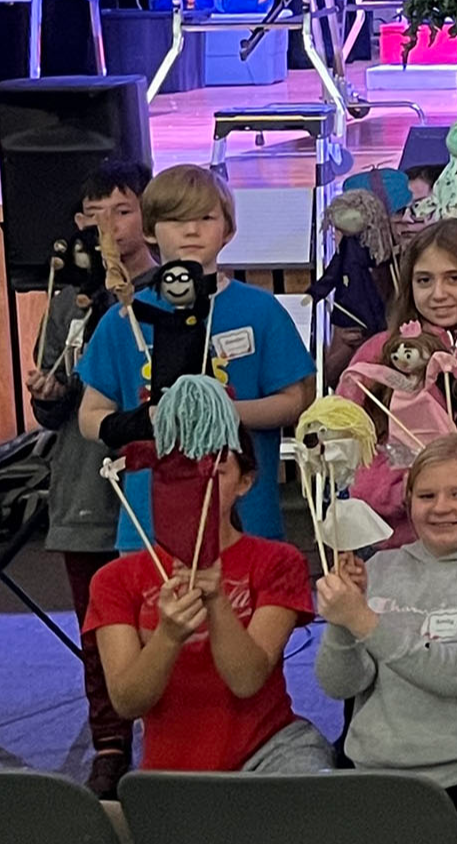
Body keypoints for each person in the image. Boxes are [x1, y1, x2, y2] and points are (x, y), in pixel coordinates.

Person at [76, 167, 315, 556]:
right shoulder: (125, 317)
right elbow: (90, 416)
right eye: (175, 219)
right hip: (148, 527)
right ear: (150, 231)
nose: (191, 231)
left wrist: (219, 412)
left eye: (205, 218)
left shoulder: (260, 310)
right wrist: (145, 420)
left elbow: (294, 402)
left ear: (228, 230)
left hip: (246, 521)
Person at [313, 433, 457, 819]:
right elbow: (340, 685)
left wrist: (362, 619)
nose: (440, 508)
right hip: (374, 774)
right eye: (426, 496)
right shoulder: (382, 566)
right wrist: (343, 625)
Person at [87, 433, 331, 772]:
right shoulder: (114, 579)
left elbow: (246, 681)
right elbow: (127, 701)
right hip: (171, 771)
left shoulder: (279, 561)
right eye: (179, 471)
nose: (196, 485)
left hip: (270, 752)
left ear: (245, 482)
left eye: (215, 472)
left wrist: (217, 602)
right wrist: (168, 636)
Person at [28, 155, 151, 796]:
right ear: (80, 221)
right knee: (98, 628)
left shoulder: (169, 293)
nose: (109, 227)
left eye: (124, 211)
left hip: (152, 487)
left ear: (149, 217)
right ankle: (109, 744)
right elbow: (52, 409)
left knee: (159, 620)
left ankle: (169, 736)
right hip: (84, 489)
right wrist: (47, 392)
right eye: (96, 214)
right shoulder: (68, 301)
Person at [343, 220, 457, 545]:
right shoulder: (378, 352)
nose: (438, 294)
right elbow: (349, 450)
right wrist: (412, 491)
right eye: (424, 280)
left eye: (454, 278)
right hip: (398, 545)